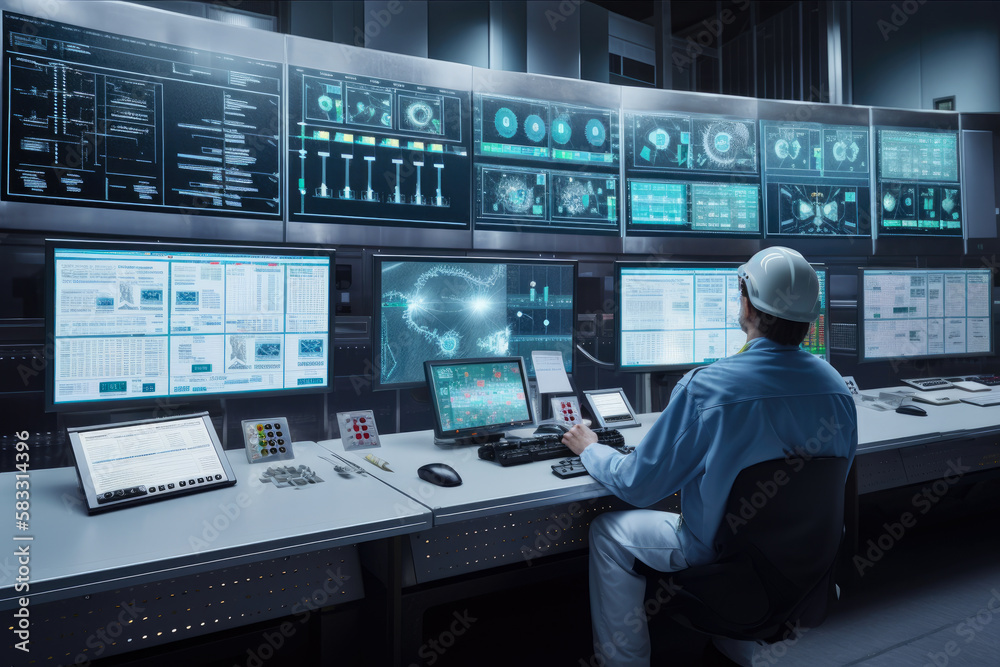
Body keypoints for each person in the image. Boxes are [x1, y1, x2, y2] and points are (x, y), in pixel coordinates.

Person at [562, 246, 858, 667]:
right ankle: (732, 653)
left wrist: (592, 449)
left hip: (719, 556)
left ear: (747, 303)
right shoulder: (835, 387)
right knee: (751, 534)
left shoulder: (708, 388)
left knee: (609, 533)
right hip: (800, 560)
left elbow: (638, 485)